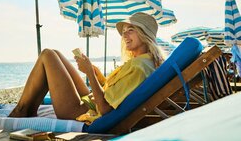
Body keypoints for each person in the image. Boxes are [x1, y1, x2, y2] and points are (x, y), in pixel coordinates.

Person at [9, 12, 165, 125]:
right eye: (123, 31)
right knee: (55, 54)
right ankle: (27, 110)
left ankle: (21, 110)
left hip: (82, 112)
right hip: (91, 103)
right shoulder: (144, 62)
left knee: (47, 55)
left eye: (131, 30)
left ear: (145, 35)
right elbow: (117, 91)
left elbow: (105, 109)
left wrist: (89, 72)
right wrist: (98, 76)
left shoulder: (138, 67)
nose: (124, 35)